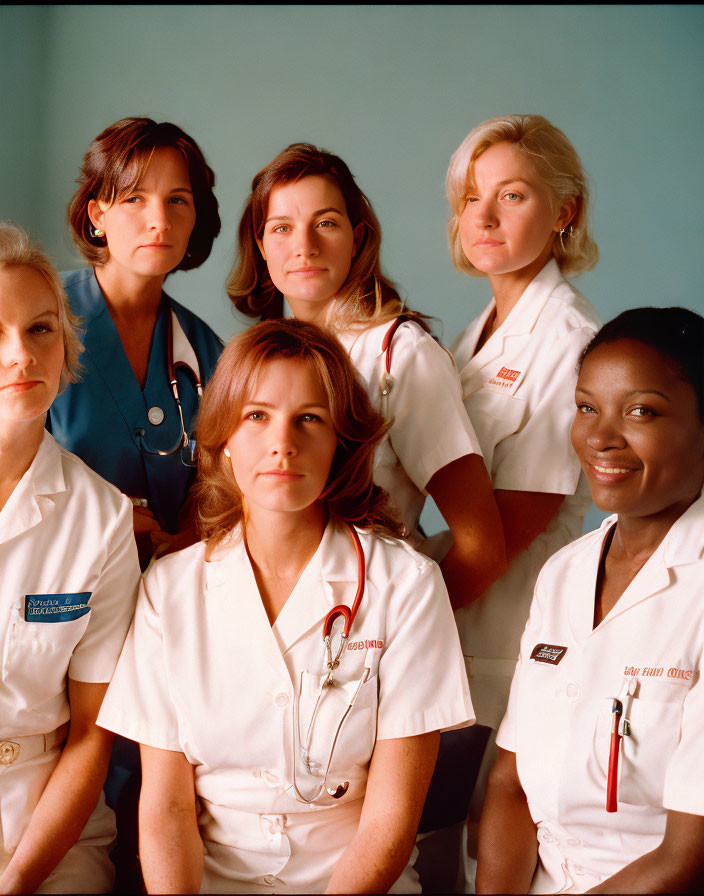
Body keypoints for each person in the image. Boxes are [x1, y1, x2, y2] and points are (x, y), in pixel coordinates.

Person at [97, 318, 474, 894]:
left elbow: (391, 820)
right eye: (257, 416)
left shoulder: (407, 584)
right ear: (222, 444)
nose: (283, 443)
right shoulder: (167, 591)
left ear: (341, 445)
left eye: (310, 419)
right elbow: (166, 808)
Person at [478, 307, 704, 894]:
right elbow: (511, 784)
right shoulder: (565, 572)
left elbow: (687, 857)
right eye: (586, 408)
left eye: (641, 412)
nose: (601, 437)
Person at [226, 143, 506, 609]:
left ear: (357, 239)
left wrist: (403, 636)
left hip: (366, 625)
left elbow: (483, 549)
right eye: (282, 228)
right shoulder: (258, 358)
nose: (304, 246)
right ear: (261, 245)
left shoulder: (402, 355)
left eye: (326, 224)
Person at [443, 113, 602, 875]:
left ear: (563, 210)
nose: (484, 217)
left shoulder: (567, 337)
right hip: (466, 614)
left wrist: (397, 618)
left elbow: (506, 531)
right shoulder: (476, 332)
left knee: (492, 845)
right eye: (472, 197)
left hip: (512, 619)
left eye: (512, 195)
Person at [0, 221, 140, 893]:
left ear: (65, 348)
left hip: (50, 821)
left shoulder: (102, 518)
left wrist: (20, 877)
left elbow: (92, 735)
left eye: (40, 330)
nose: (19, 356)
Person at [47, 116, 223, 570]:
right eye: (134, 198)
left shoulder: (210, 353)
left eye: (177, 200)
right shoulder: (38, 319)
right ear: (97, 215)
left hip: (167, 597)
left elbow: (224, 491)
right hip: (52, 587)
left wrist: (187, 534)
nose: (159, 221)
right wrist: (105, 521)